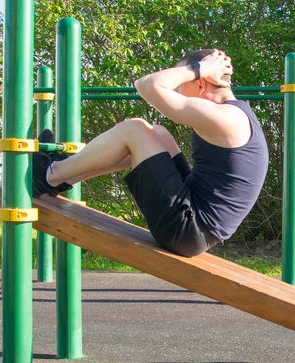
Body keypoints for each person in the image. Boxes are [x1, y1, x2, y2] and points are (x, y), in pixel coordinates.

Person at [32, 49, 269, 257]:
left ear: (200, 83)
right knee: (158, 134)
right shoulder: (236, 113)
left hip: (188, 231)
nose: (176, 89)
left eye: (181, 83)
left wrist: (201, 67)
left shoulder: (225, 118)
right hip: (196, 222)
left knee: (133, 130)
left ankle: (49, 175)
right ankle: (64, 175)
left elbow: (147, 85)